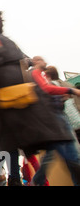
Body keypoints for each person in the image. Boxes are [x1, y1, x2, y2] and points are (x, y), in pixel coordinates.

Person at [0, 12, 78, 185]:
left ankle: (4, 176)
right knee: (36, 148)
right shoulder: (13, 47)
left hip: (3, 109)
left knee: (5, 149)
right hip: (26, 105)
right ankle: (28, 179)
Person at [30, 57, 80, 186]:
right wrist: (70, 90)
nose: (45, 62)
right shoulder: (35, 73)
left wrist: (60, 98)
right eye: (41, 60)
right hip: (55, 120)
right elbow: (46, 90)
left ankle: (37, 180)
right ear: (36, 62)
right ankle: (37, 180)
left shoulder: (39, 76)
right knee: (71, 156)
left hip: (56, 119)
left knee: (57, 154)